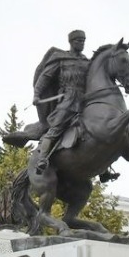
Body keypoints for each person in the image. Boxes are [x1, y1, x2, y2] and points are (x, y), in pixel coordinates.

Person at [32, 29, 90, 171]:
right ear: (71, 42)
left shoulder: (87, 62)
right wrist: (37, 94)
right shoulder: (61, 58)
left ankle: (105, 167)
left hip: (85, 100)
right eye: (78, 41)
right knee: (55, 129)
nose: (81, 44)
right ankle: (42, 158)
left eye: (83, 41)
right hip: (68, 100)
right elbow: (45, 77)